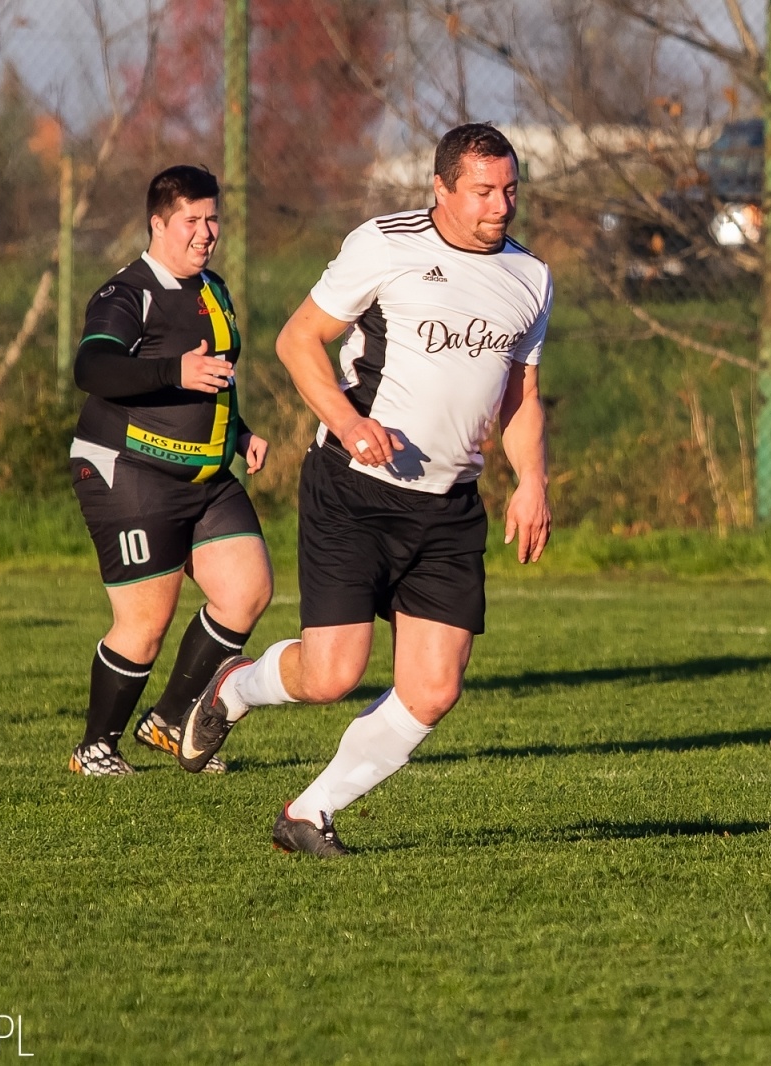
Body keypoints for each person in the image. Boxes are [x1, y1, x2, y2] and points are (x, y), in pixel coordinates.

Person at [175, 123, 554, 856]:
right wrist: (348, 423)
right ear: (440, 189)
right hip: (355, 492)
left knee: (434, 689)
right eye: (481, 192)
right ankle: (236, 688)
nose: (499, 206)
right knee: (332, 674)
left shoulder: (530, 276)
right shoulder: (386, 244)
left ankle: (307, 814)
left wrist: (532, 480)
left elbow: (521, 395)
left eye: (509, 190)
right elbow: (297, 339)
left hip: (449, 507)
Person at [66, 164, 271, 776]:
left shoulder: (216, 289)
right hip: (128, 470)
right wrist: (170, 372)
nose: (206, 232)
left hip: (205, 477)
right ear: (158, 224)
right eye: (192, 220)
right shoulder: (126, 293)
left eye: (213, 219)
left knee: (247, 593)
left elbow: (213, 378)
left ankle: (169, 720)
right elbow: (93, 369)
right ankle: (95, 747)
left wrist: (238, 432)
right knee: (145, 624)